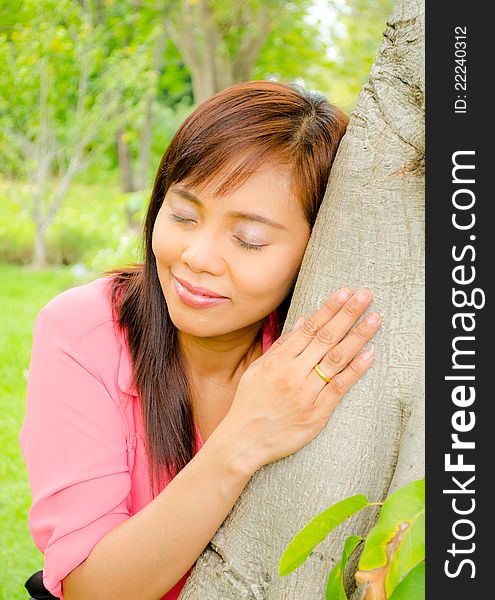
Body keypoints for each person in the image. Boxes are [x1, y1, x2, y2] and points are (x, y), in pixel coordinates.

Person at [18, 80, 382, 600]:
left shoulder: (322, 351)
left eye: (248, 240)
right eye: (183, 216)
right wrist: (242, 439)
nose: (198, 257)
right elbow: (90, 588)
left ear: (316, 248)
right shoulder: (84, 332)